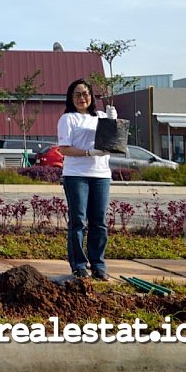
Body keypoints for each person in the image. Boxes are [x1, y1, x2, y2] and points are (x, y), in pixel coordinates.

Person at [57, 79, 116, 280]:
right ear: (71, 98)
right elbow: (64, 149)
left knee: (99, 222)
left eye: (86, 93)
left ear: (92, 96)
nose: (82, 98)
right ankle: (79, 265)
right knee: (78, 222)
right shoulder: (68, 119)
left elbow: (115, 141)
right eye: (77, 94)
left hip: (101, 175)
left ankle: (98, 265)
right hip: (76, 175)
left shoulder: (100, 116)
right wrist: (89, 152)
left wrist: (113, 121)